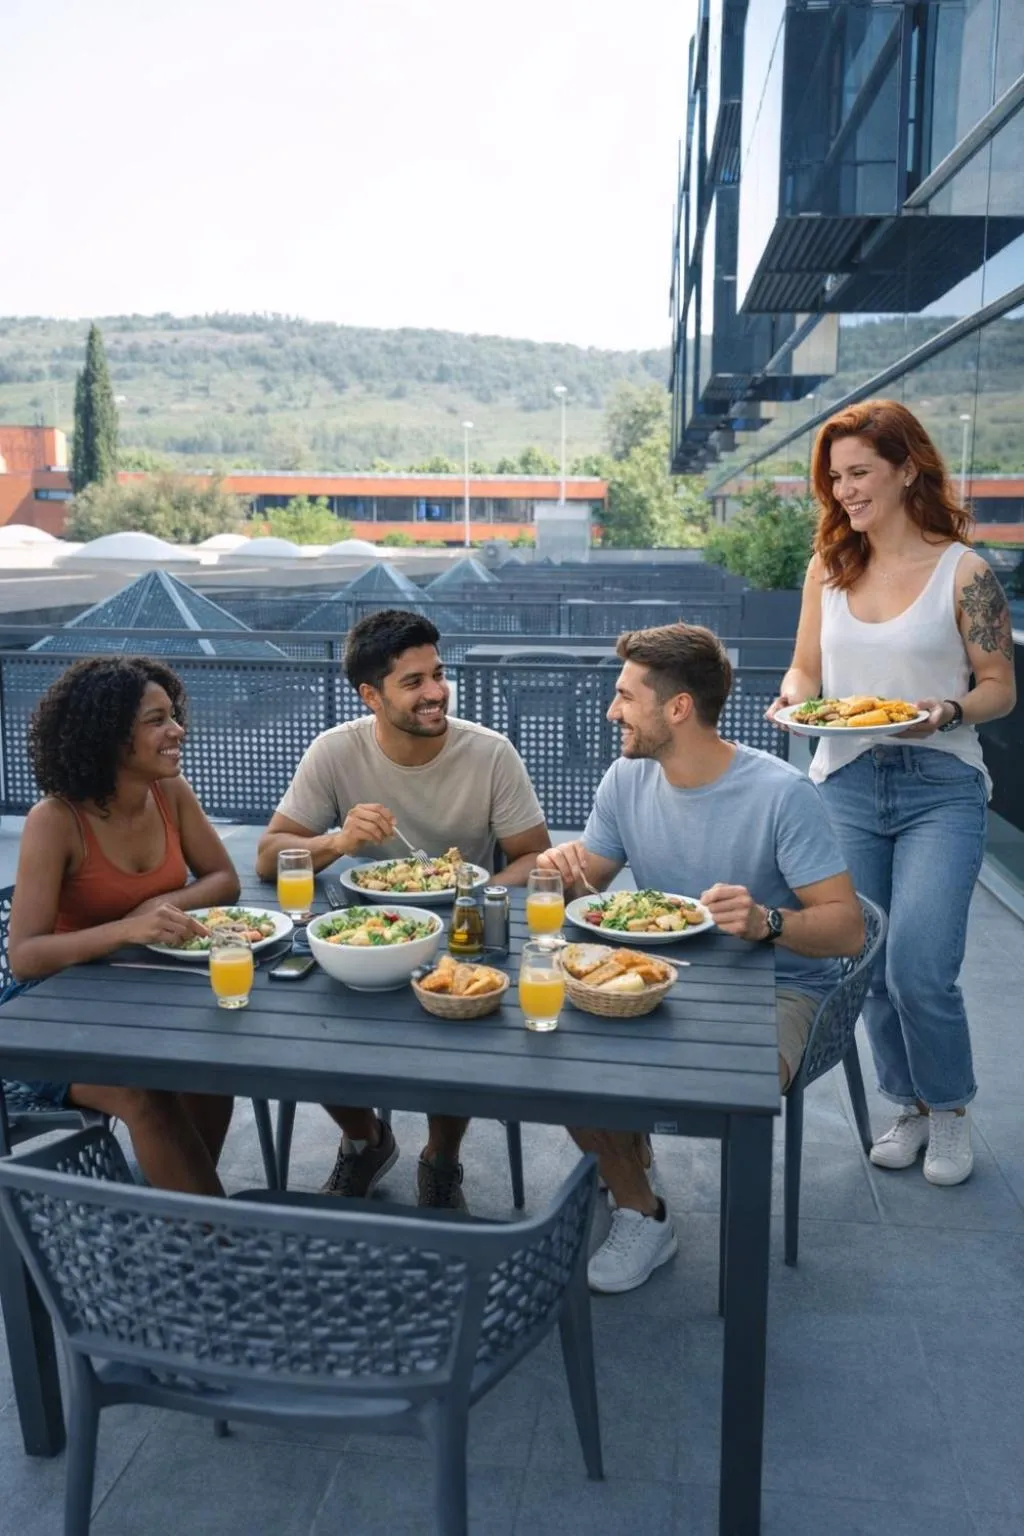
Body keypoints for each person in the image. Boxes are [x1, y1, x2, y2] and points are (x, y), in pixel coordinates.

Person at [538, 623, 864, 1294]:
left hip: (778, 989)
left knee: (711, 1087)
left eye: (626, 697)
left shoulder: (782, 794)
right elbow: (591, 885)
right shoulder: (626, 779)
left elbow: (848, 930)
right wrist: (560, 868)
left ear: (678, 708)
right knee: (554, 1056)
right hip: (662, 979)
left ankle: (627, 1166)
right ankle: (641, 1205)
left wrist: (767, 921)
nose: (611, 711)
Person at [769, 399, 1016, 1187]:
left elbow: (999, 689)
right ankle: (905, 1102)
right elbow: (807, 669)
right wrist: (792, 698)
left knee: (919, 965)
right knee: (863, 957)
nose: (844, 491)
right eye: (835, 478)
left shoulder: (965, 572)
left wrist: (944, 711)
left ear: (908, 468)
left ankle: (949, 1111)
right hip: (843, 778)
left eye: (860, 472)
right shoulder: (828, 568)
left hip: (941, 782)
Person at [256, 608, 551, 1209]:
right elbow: (269, 856)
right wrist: (335, 841)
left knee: (460, 1027)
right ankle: (365, 1140)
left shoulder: (490, 753)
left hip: (460, 932)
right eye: (413, 682)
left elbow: (534, 860)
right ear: (371, 695)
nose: (436, 692)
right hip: (365, 931)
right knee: (296, 1018)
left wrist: (474, 895)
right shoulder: (334, 752)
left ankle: (441, 1157)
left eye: (438, 675)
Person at [7, 656, 240, 1195]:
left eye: (173, 715)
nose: (177, 730)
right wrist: (126, 930)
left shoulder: (171, 795)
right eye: (156, 721)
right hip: (51, 1010)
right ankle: (217, 1248)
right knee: (145, 1095)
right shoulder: (56, 820)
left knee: (213, 1071)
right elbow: (25, 955)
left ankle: (180, 1219)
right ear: (110, 737)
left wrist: (152, 907)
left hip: (139, 994)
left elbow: (223, 879)